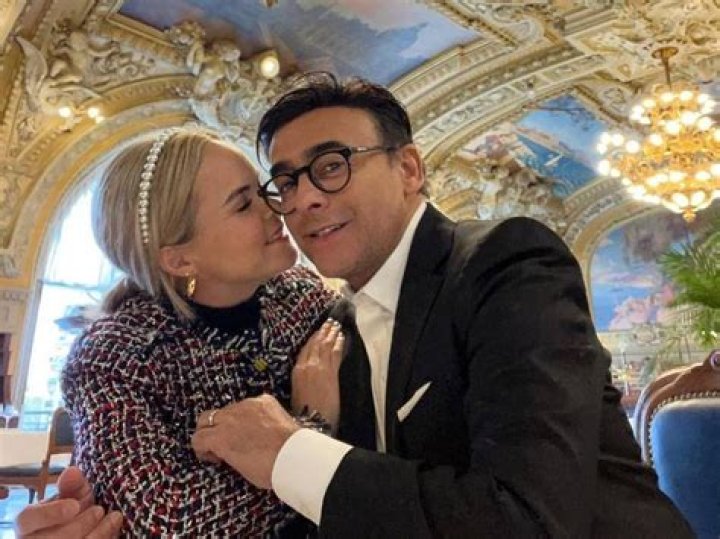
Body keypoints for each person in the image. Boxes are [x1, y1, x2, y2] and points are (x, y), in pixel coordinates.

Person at [18, 73, 693, 538]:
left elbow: (526, 519)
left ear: (409, 169)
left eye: (332, 164)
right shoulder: (327, 319)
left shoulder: (503, 265)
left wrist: (293, 445)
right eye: (282, 182)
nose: (299, 201)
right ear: (177, 257)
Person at [16, 128, 343, 537]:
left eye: (263, 191)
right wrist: (310, 432)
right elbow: (164, 521)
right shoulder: (116, 355)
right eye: (244, 204)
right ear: (178, 260)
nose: (277, 208)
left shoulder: (301, 296)